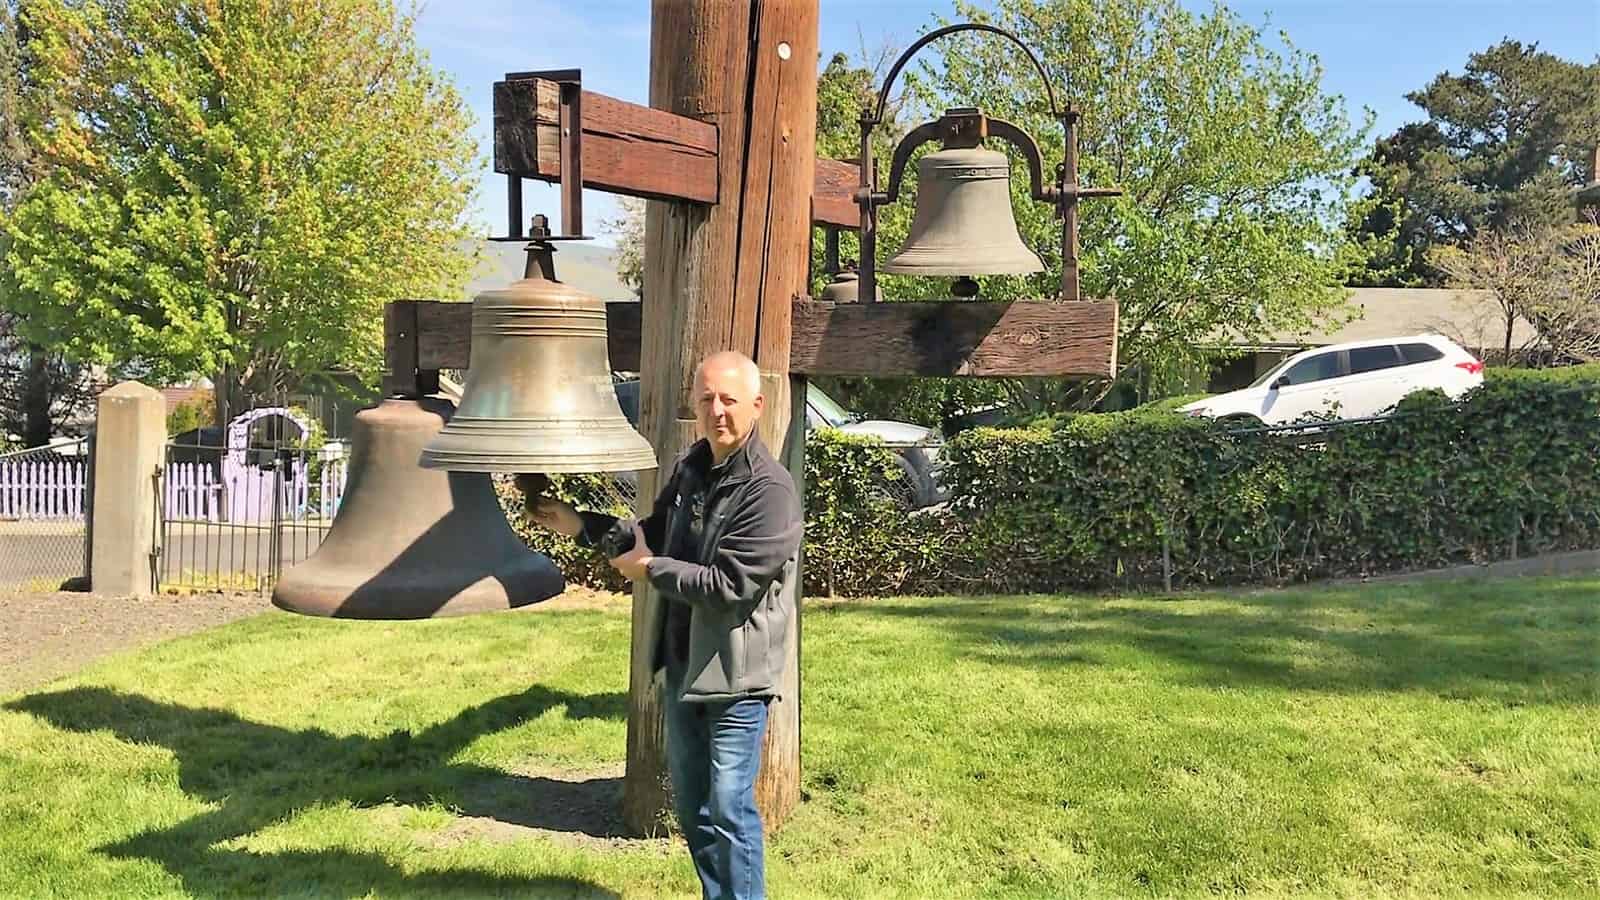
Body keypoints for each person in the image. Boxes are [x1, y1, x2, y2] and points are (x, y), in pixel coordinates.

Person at [521, 350, 802, 900]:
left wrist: (650, 569)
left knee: (728, 807)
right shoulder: (693, 469)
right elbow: (651, 532)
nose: (717, 411)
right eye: (707, 399)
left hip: (736, 679)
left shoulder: (770, 492)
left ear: (757, 406)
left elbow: (729, 585)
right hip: (683, 667)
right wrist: (582, 524)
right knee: (694, 809)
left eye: (729, 399)